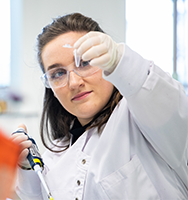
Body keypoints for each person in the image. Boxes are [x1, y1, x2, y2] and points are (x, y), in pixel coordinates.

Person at [11, 13, 188, 199]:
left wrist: (120, 61)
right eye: (58, 73)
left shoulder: (143, 117)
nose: (74, 82)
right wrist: (28, 169)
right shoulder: (54, 156)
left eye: (85, 62)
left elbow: (169, 106)